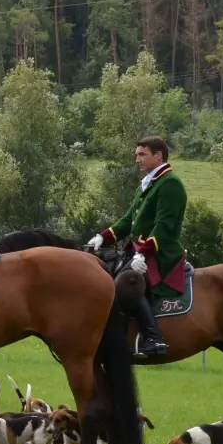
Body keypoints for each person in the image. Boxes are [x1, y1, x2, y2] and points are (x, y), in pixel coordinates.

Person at [84, 136, 180, 358]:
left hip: (161, 253)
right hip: (139, 250)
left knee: (128, 281)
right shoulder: (149, 183)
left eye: (142, 154)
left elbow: (163, 227)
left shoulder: (170, 184)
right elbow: (129, 221)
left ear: (159, 156)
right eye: (137, 154)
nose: (137, 159)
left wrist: (143, 255)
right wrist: (102, 237)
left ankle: (154, 339)